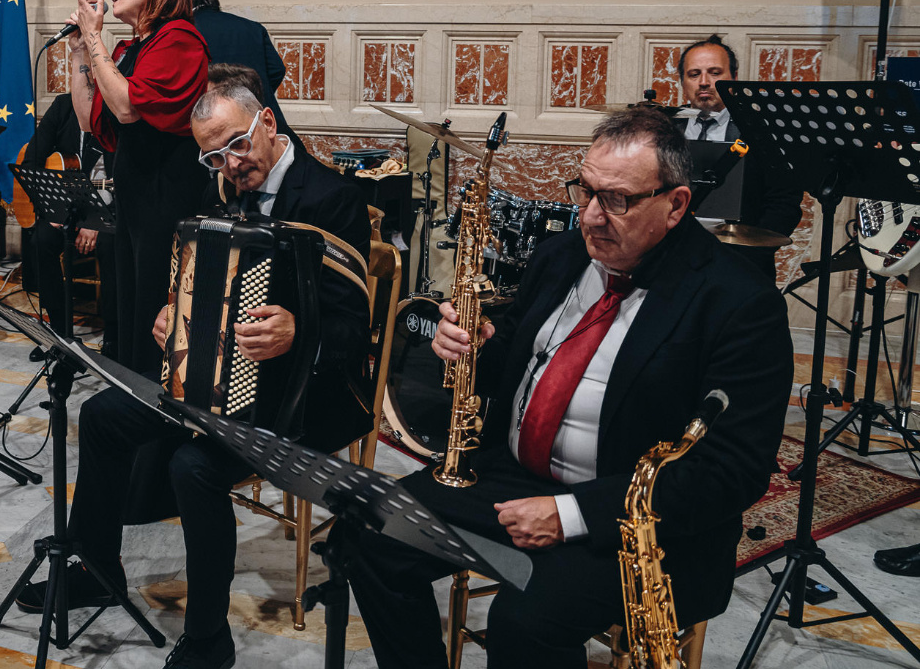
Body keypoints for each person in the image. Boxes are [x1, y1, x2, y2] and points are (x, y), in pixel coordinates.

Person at [333, 107, 793, 669]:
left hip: (637, 520)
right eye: (586, 191)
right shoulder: (563, 256)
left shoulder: (739, 302)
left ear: (675, 205)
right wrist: (471, 346)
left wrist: (573, 514)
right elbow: (515, 364)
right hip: (515, 475)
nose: (592, 216)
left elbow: (732, 471)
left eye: (617, 200)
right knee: (367, 533)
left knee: (524, 623)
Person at [17, 82, 372, 668]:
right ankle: (96, 570)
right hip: (213, 382)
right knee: (101, 414)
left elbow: (356, 332)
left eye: (237, 145)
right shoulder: (223, 190)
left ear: (267, 123)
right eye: (214, 157)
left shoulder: (332, 199)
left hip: (302, 395)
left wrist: (297, 331)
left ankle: (209, 639)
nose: (230, 166)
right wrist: (173, 313)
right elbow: (197, 276)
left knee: (194, 466)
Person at [68, 0, 209, 373]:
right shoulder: (130, 48)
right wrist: (79, 50)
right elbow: (89, 120)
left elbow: (129, 108)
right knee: (128, 301)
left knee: (152, 299)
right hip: (134, 192)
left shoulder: (179, 38)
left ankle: (153, 396)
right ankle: (130, 387)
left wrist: (95, 37)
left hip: (165, 191)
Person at [677, 34, 803, 278]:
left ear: (733, 77)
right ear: (682, 82)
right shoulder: (664, 128)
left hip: (741, 262)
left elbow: (784, 203)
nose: (704, 82)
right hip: (673, 259)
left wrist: (750, 256)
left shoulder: (763, 130)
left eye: (715, 73)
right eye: (694, 74)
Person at [20, 91, 117, 354]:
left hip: (111, 208)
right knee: (40, 241)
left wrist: (95, 221)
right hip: (67, 208)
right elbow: (31, 162)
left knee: (111, 247)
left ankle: (114, 337)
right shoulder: (63, 106)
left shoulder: (117, 107)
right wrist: (52, 209)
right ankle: (59, 334)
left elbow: (130, 178)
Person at [190, 0, 302, 151]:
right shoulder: (252, 27)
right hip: (265, 124)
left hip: (220, 135)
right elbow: (277, 69)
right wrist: (251, 94)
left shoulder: (185, 32)